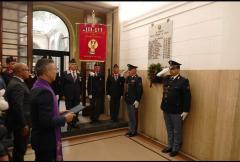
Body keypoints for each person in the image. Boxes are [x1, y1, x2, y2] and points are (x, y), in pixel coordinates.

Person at [30, 58, 75, 161]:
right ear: (47, 71)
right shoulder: (44, 91)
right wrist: (65, 119)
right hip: (46, 141)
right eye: (55, 69)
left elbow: (41, 113)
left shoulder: (38, 85)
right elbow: (45, 121)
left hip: (40, 139)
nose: (56, 71)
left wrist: (58, 113)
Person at [156, 60, 191, 157]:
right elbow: (155, 79)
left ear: (178, 69)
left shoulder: (183, 81)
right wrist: (162, 72)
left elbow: (187, 97)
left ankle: (175, 148)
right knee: (169, 129)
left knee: (177, 130)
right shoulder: (167, 78)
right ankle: (170, 145)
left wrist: (186, 110)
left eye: (173, 68)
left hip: (176, 110)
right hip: (166, 108)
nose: (171, 70)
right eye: (170, 68)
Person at [4, 63, 31, 161]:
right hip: (20, 123)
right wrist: (23, 124)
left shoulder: (17, 82)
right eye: (27, 70)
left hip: (19, 121)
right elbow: (17, 107)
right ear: (20, 71)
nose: (29, 72)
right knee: (20, 148)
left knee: (19, 148)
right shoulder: (17, 85)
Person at [61, 59, 82, 130]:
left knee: (76, 109)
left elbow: (80, 85)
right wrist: (62, 94)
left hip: (77, 95)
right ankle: (69, 124)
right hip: (68, 95)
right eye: (72, 64)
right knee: (69, 110)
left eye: (75, 64)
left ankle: (74, 123)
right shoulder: (65, 73)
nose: (74, 66)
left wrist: (81, 94)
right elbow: (62, 85)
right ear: (69, 65)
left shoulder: (79, 73)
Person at [124, 64, 143, 137]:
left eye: (130, 69)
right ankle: (130, 130)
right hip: (128, 100)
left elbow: (140, 90)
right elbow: (126, 88)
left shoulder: (138, 79)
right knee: (130, 116)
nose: (129, 71)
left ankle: (134, 131)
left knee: (134, 116)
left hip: (134, 101)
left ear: (134, 70)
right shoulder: (128, 78)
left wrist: (137, 100)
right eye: (129, 69)